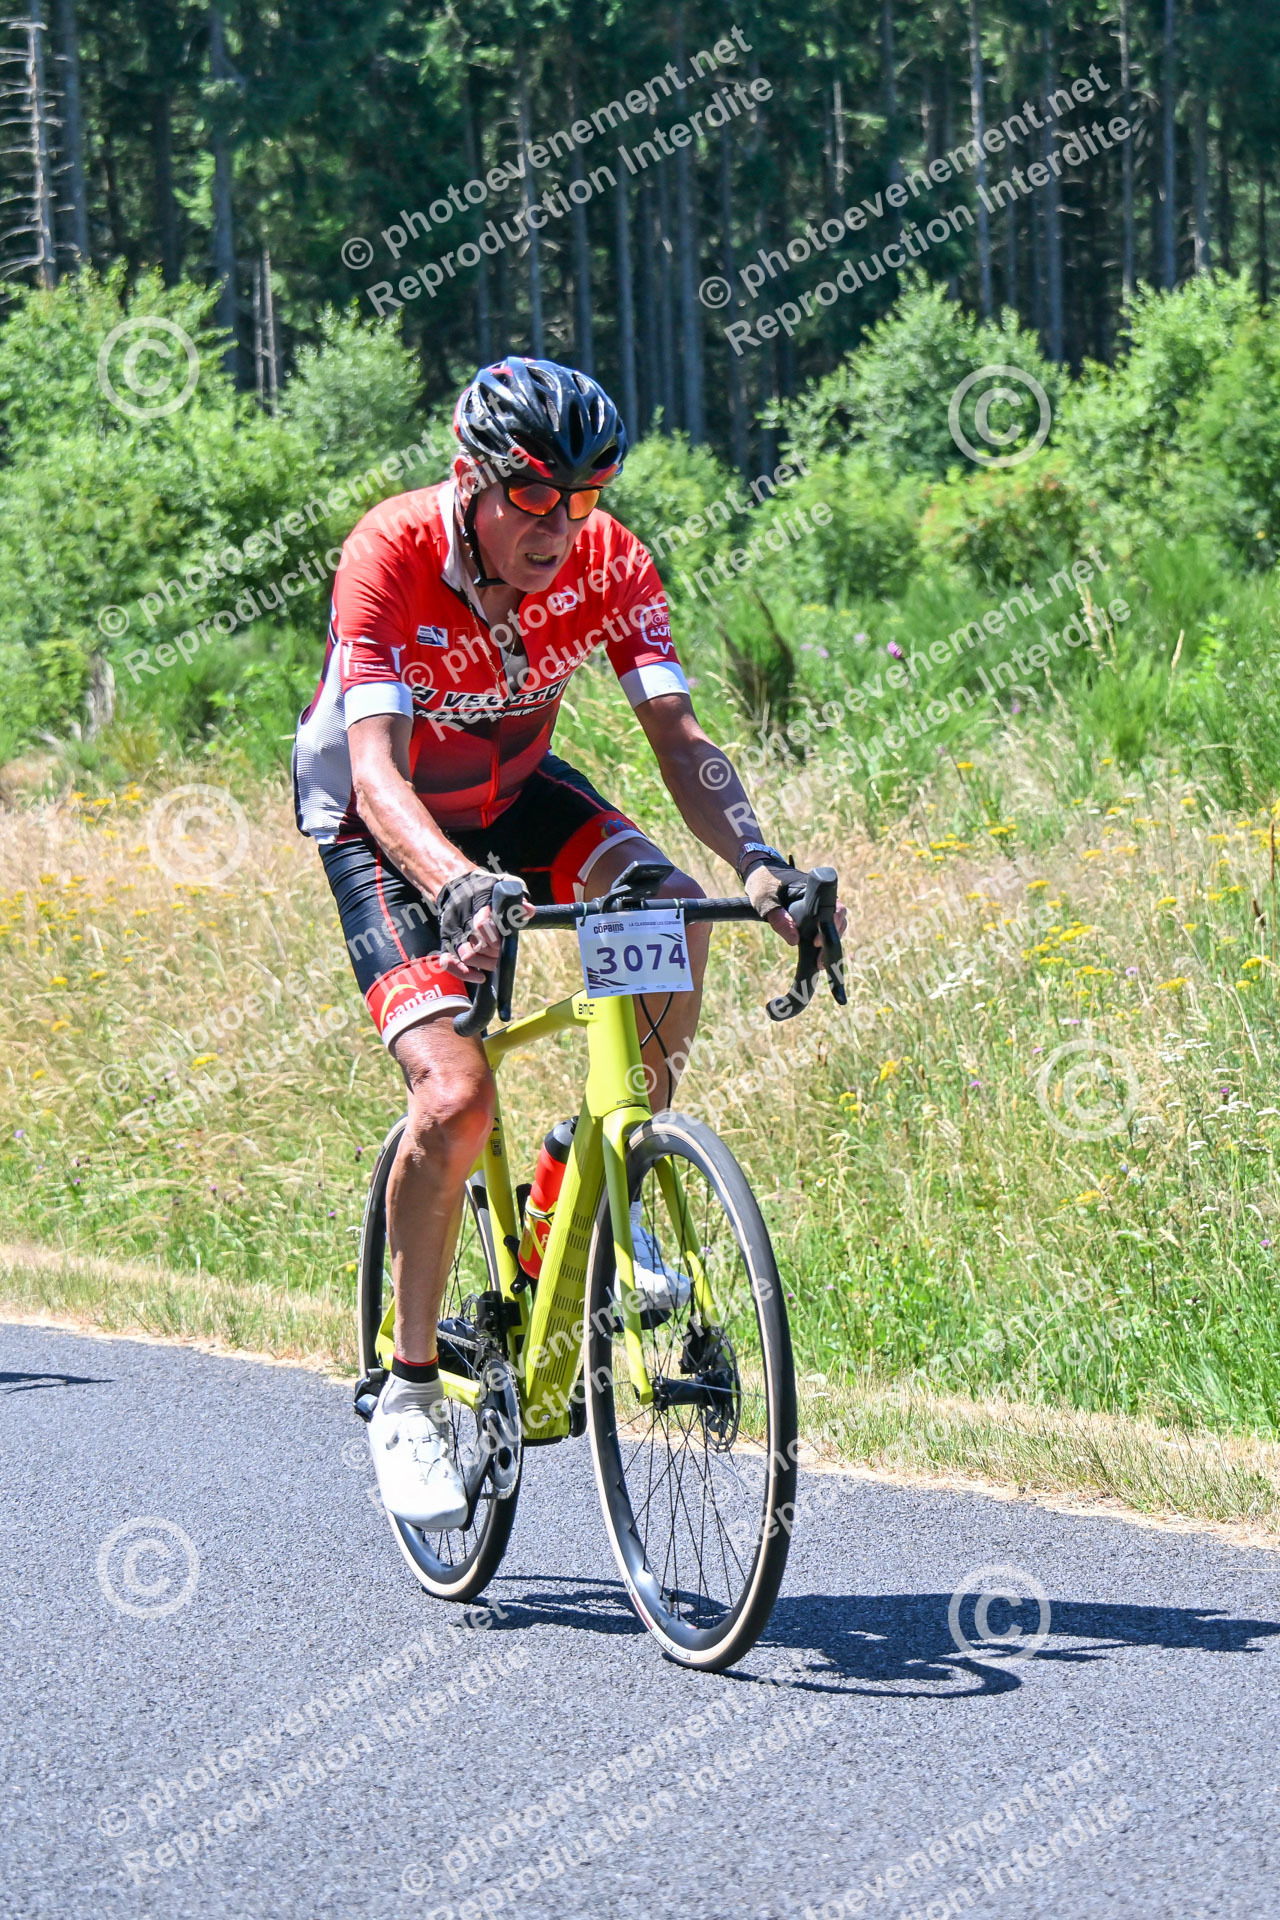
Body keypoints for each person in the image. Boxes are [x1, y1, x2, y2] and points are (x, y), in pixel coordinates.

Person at [294, 356, 834, 1528]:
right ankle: (408, 1391)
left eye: (584, 497)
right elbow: (374, 771)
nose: (559, 527)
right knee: (453, 1096)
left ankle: (596, 1189)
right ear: (470, 480)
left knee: (669, 909)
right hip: (384, 821)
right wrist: (451, 884)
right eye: (534, 495)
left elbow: (675, 734)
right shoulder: (388, 552)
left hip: (515, 793)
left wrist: (761, 864)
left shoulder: (610, 561)